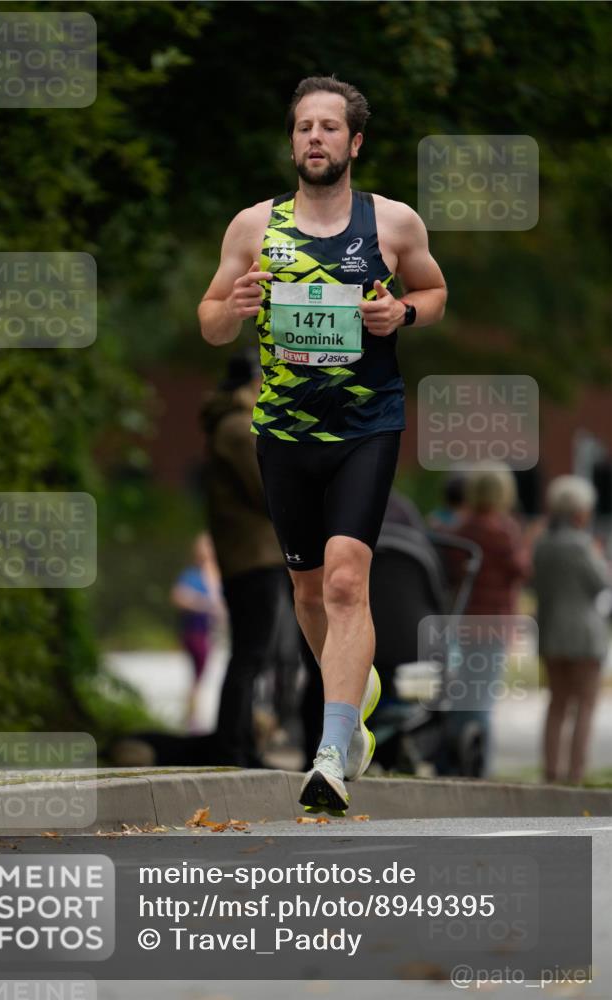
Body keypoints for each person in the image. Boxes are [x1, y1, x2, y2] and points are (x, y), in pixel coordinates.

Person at [198, 76, 447, 812]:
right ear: (292, 143)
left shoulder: (392, 223)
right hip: (282, 432)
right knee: (307, 590)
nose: (315, 137)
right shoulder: (253, 227)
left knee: (344, 580)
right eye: (304, 126)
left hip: (366, 425)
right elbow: (210, 320)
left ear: (354, 142)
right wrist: (234, 306)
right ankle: (354, 689)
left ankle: (334, 750)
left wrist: (401, 314)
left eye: (329, 127)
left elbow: (433, 293)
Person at [200, 349, 294, 766]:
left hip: (247, 555)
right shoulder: (239, 428)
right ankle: (234, 747)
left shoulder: (230, 425)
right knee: (251, 654)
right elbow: (266, 489)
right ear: (252, 384)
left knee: (250, 653)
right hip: (254, 557)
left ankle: (239, 745)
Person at [448, 463, 532, 775]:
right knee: (483, 698)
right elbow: (522, 570)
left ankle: (451, 761)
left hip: (464, 622)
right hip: (494, 624)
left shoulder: (460, 529)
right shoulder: (504, 531)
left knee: (462, 693)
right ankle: (479, 768)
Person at [533, 475, 611, 784]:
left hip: (551, 632)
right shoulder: (582, 545)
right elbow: (601, 583)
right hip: (584, 636)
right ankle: (575, 774)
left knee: (557, 704)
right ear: (580, 512)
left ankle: (551, 772)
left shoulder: (542, 544)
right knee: (585, 707)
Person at [170, 532, 225, 730]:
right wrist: (203, 604)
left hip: (212, 633)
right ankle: (192, 716)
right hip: (195, 631)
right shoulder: (192, 575)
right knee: (198, 674)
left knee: (203, 675)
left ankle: (194, 715)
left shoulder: (217, 575)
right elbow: (178, 596)